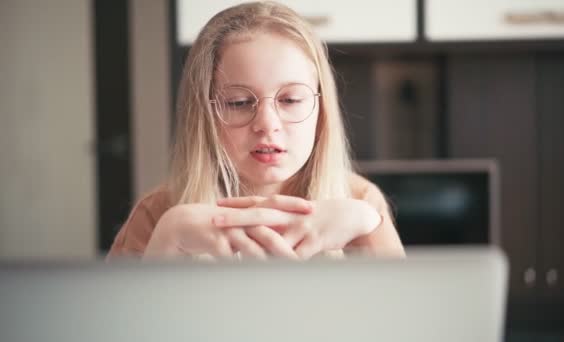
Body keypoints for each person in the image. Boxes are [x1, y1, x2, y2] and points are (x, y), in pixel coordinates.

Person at [107, 1, 405, 260]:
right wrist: (167, 240)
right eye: (238, 102)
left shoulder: (360, 200)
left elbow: (402, 318)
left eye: (290, 100)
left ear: (321, 109)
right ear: (204, 114)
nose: (267, 124)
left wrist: (369, 226)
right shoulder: (158, 213)